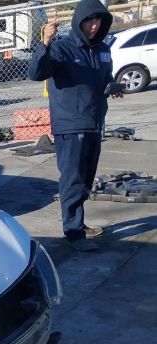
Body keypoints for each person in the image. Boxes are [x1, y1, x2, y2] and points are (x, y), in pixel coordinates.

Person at [28, 0, 121, 251]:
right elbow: (36, 73)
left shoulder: (103, 50)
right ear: (79, 21)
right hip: (70, 125)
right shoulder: (62, 49)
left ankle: (78, 223)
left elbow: (105, 77)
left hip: (94, 122)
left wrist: (111, 86)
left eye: (98, 21)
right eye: (89, 21)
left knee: (86, 179)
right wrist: (45, 42)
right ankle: (73, 232)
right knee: (73, 179)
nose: (94, 26)